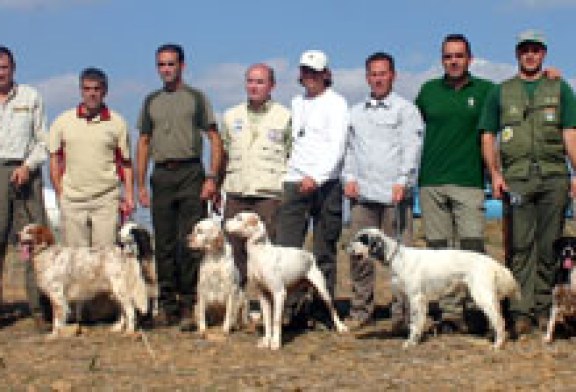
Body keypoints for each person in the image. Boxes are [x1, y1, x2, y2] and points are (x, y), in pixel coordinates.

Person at [480, 30, 576, 337]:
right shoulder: (501, 91)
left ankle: (545, 309)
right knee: (520, 247)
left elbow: (570, 134)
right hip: (517, 179)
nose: (530, 55)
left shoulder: (560, 89)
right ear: (517, 54)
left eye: (535, 50)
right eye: (525, 50)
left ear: (544, 53)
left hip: (553, 177)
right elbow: (487, 135)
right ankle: (520, 311)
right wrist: (495, 174)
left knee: (550, 247)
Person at [136, 44, 223, 328]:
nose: (166, 70)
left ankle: (189, 305)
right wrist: (140, 184)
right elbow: (144, 143)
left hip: (190, 173)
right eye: (161, 65)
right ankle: (166, 305)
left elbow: (213, 138)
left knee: (190, 241)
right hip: (161, 174)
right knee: (163, 243)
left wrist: (212, 177)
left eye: (171, 64)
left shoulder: (196, 98)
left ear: (182, 66)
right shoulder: (151, 100)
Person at [415, 34, 495, 330]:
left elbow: (516, 94)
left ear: (469, 59)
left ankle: (480, 307)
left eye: (459, 55)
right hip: (432, 180)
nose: (454, 61)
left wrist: (551, 77)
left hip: (469, 180)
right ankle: (450, 314)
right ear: (442, 60)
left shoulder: (487, 90)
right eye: (448, 56)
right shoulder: (428, 91)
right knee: (439, 252)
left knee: (472, 247)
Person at [343, 52, 424, 330]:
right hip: (363, 196)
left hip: (394, 195)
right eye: (373, 74)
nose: (378, 79)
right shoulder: (355, 112)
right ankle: (360, 311)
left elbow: (411, 149)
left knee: (400, 259)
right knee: (359, 256)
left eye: (383, 73)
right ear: (367, 78)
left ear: (393, 75)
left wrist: (403, 180)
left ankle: (402, 315)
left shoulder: (406, 110)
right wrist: (348, 178)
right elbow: (349, 150)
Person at [275, 50, 349, 329]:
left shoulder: (337, 103)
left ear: (326, 74)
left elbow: (337, 146)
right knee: (288, 248)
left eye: (315, 72)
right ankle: (291, 309)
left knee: (324, 249)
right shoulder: (296, 103)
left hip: (325, 183)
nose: (309, 77)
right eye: (305, 72)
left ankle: (322, 310)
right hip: (295, 181)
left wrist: (317, 177)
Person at [221, 63, 291, 287]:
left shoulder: (285, 116)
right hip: (236, 192)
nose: (254, 86)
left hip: (269, 194)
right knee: (233, 251)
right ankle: (237, 306)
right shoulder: (231, 116)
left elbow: (292, 155)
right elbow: (223, 154)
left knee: (267, 255)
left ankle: (268, 307)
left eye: (260, 82)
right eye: (250, 81)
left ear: (272, 85)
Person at [49, 67, 134, 248]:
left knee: (105, 260)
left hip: (106, 200)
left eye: (96, 89)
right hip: (72, 200)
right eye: (87, 89)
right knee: (76, 261)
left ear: (105, 91)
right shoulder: (63, 121)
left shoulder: (117, 123)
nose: (92, 94)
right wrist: (59, 191)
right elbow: (54, 159)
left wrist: (129, 196)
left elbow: (126, 163)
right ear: (81, 91)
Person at [0, 46, 50, 330]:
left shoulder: (31, 97)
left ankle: (39, 309)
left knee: (35, 241)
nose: (0, 73)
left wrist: (28, 166)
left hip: (25, 171)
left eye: (4, 67)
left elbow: (43, 141)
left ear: (13, 68)